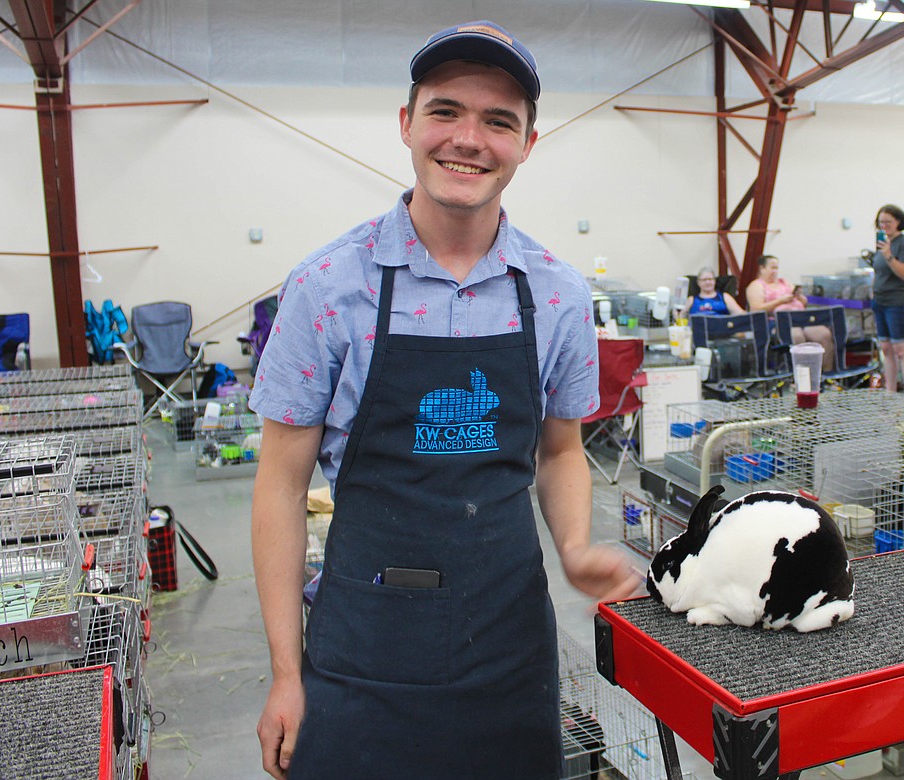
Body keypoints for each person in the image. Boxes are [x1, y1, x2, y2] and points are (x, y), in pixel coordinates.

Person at [248, 21, 640, 780]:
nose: (470, 139)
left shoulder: (555, 295)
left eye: (500, 121)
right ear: (406, 123)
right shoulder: (329, 288)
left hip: (509, 642)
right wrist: (287, 674)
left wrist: (574, 547)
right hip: (362, 641)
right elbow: (279, 485)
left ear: (528, 143)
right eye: (446, 111)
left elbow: (559, 452)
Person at [745, 254, 835, 371]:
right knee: (796, 337)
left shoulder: (785, 283)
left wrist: (799, 296)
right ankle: (801, 377)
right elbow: (756, 309)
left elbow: (804, 303)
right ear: (762, 268)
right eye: (772, 268)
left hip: (801, 318)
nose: (775, 271)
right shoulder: (756, 286)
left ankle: (827, 374)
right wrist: (779, 301)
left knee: (823, 335)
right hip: (778, 321)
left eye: (776, 268)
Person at [871, 204, 904, 398]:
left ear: (898, 222)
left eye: (888, 222)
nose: (884, 226)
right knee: (885, 347)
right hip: (880, 300)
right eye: (881, 222)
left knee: (901, 347)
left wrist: (889, 256)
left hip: (897, 301)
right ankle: (890, 389)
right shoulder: (882, 244)